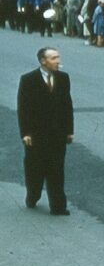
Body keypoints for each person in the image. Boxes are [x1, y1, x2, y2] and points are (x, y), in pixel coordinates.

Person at [18, 47, 74, 215]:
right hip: (36, 135)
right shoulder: (28, 80)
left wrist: (69, 131)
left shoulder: (63, 78)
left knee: (56, 170)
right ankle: (32, 195)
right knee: (35, 169)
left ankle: (58, 206)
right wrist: (25, 133)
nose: (58, 61)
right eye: (54, 58)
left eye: (58, 57)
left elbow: (67, 105)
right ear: (43, 61)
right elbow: (23, 108)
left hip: (57, 134)